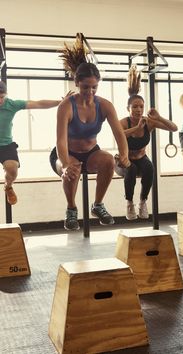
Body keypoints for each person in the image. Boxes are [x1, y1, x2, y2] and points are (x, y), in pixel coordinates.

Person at [50, 37, 130, 231]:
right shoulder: (66, 107)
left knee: (108, 160)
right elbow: (60, 141)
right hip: (65, 153)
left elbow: (119, 134)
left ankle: (98, 205)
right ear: (76, 83)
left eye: (94, 87)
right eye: (86, 87)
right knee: (73, 168)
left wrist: (124, 155)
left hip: (92, 152)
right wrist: (66, 164)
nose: (90, 91)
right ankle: (71, 209)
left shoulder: (105, 105)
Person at [118, 65, 178, 221]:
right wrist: (136, 128)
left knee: (150, 167)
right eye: (135, 107)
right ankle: (129, 203)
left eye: (141, 107)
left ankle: (143, 202)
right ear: (128, 108)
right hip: (123, 160)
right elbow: (119, 135)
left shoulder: (148, 122)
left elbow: (173, 128)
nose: (138, 110)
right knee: (131, 171)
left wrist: (159, 118)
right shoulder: (123, 122)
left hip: (141, 158)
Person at [0, 80, 70, 205]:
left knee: (12, 169)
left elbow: (38, 104)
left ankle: (8, 186)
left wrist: (61, 102)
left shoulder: (11, 104)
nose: (0, 101)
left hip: (6, 145)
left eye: (2, 97)